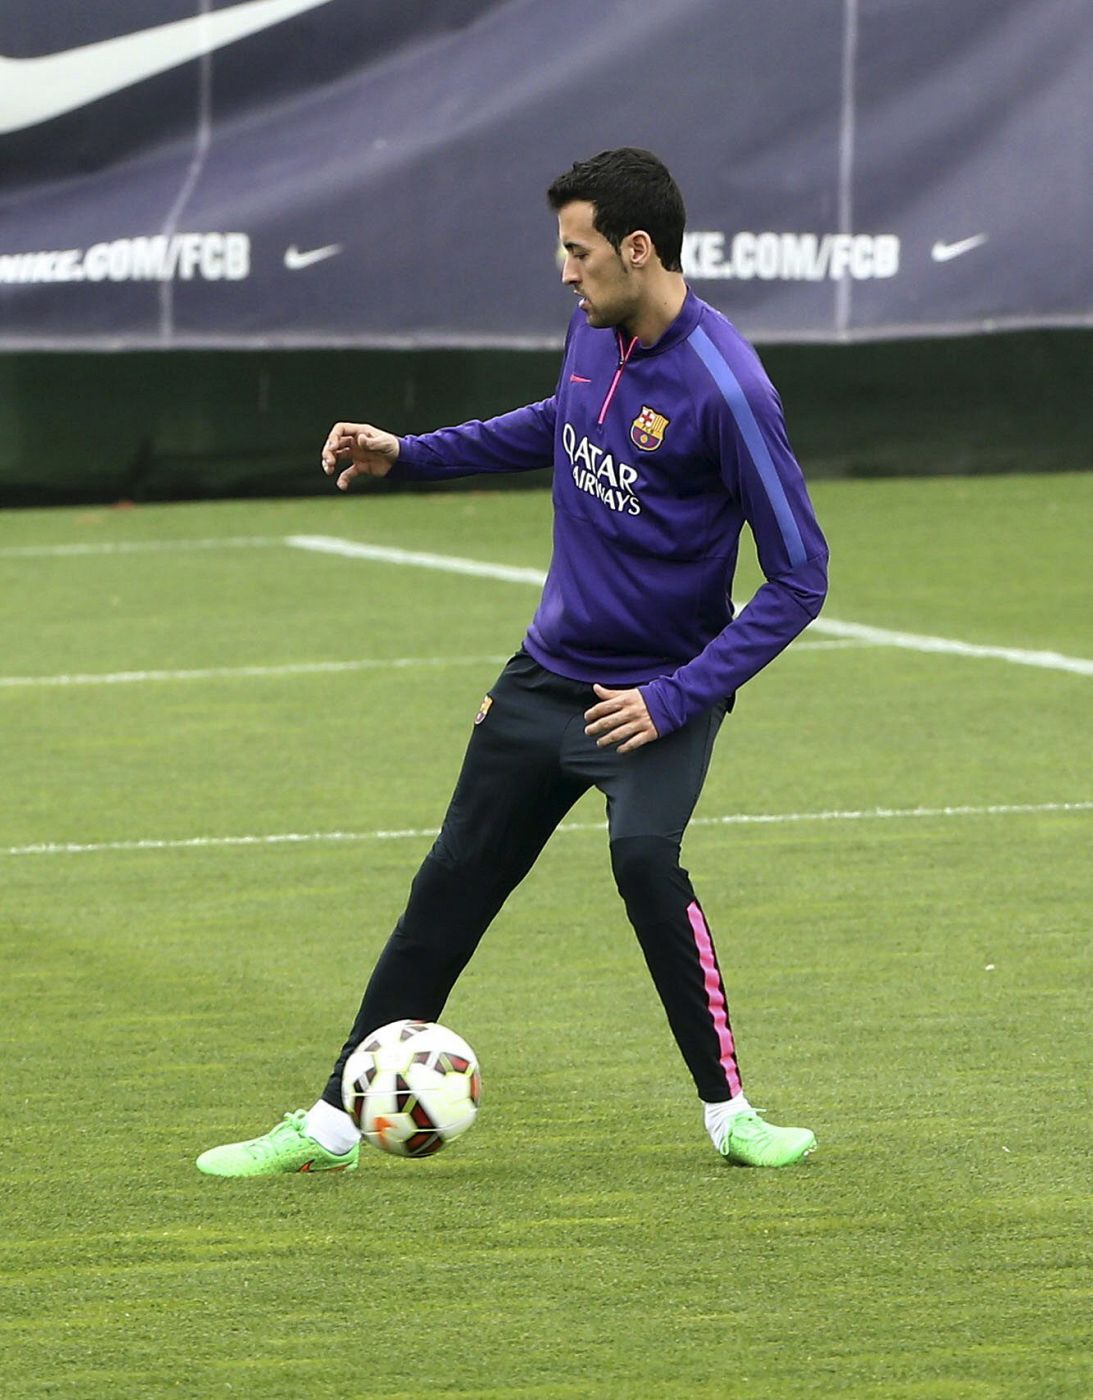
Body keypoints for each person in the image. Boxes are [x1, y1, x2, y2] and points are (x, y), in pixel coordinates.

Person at [197, 147, 828, 1178]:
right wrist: (410, 452)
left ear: (636, 248)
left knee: (643, 863)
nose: (563, 272)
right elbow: (557, 424)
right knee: (447, 883)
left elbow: (800, 575)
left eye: (577, 252)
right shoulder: (592, 334)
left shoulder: (729, 387)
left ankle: (733, 1116)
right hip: (543, 680)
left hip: (651, 702)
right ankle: (328, 1126)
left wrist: (676, 697)